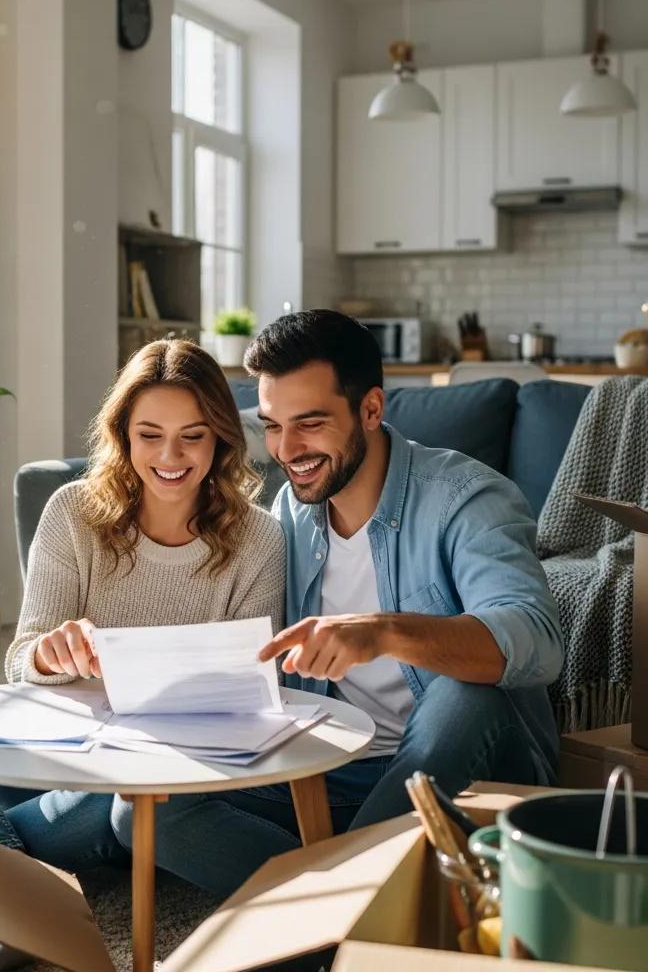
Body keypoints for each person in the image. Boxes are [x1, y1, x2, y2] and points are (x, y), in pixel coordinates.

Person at [111, 309, 564, 898]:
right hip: (334, 766)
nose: (286, 449)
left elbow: (534, 637)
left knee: (462, 695)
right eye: (272, 425)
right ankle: (352, 902)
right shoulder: (292, 515)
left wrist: (383, 632)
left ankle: (323, 904)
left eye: (310, 423)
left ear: (371, 410)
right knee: (144, 815)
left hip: (459, 763)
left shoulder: (466, 498)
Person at [0, 337, 286, 877]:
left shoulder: (259, 539)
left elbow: (253, 693)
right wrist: (46, 655)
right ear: (124, 435)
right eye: (149, 436)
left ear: (220, 439)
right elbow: (19, 663)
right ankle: (19, 868)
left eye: (192, 438)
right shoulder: (73, 513)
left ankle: (5, 875)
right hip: (48, 751)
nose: (169, 457)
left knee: (128, 799)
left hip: (143, 781)